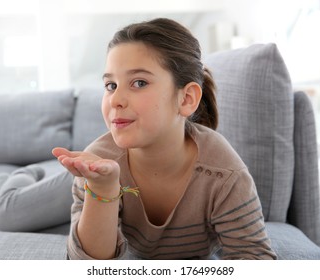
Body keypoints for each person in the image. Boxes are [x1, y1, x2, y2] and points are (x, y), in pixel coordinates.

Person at [52, 18, 277, 260]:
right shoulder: (95, 166)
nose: (116, 99)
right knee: (8, 208)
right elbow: (87, 266)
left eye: (139, 83)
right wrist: (102, 188)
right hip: (88, 175)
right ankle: (29, 174)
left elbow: (255, 257)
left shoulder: (223, 175)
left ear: (186, 98)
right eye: (110, 85)